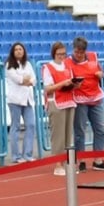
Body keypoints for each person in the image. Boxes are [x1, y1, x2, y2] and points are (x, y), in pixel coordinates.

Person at [68, 35, 104, 172]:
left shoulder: (93, 57)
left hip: (96, 98)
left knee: (101, 129)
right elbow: (66, 81)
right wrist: (73, 85)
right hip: (80, 100)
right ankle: (81, 160)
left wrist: (100, 74)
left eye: (81, 52)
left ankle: (98, 159)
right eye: (76, 52)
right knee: (80, 131)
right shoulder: (69, 62)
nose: (79, 55)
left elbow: (101, 72)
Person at [42, 41, 77, 176]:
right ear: (54, 54)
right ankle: (58, 164)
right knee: (58, 135)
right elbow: (48, 88)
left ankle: (68, 162)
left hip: (69, 101)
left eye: (64, 53)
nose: (62, 56)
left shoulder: (68, 66)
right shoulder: (48, 67)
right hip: (55, 102)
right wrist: (63, 83)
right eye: (59, 54)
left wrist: (75, 85)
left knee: (68, 135)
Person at [4, 42, 36, 163]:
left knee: (31, 125)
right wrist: (25, 79)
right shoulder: (9, 65)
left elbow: (34, 80)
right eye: (16, 49)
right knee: (16, 126)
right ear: (13, 52)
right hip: (15, 99)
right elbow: (18, 80)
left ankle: (27, 154)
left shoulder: (27, 64)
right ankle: (16, 156)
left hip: (27, 99)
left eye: (20, 49)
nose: (18, 51)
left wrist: (26, 80)